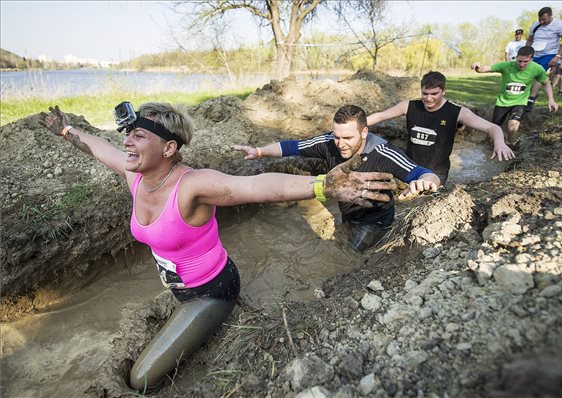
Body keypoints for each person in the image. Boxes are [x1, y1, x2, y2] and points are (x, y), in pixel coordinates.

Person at [38, 102, 397, 392]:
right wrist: (68, 130)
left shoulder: (193, 185)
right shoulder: (136, 175)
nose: (127, 143)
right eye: (128, 135)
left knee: (140, 379)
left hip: (211, 291)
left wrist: (322, 187)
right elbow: (100, 149)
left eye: (139, 136)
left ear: (168, 147)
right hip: (180, 287)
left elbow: (257, 187)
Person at [232, 104, 440, 252]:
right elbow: (291, 146)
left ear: (364, 132)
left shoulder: (384, 153)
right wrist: (258, 151)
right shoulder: (328, 142)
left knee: (348, 256)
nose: (341, 144)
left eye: (348, 138)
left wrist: (427, 182)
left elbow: (423, 173)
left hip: (375, 221)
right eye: (337, 136)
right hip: (347, 213)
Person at [366, 71, 515, 185]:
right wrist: (356, 126)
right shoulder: (409, 106)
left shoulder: (457, 112)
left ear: (443, 91)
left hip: (437, 171)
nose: (429, 98)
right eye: (425, 93)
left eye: (434, 94)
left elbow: (492, 127)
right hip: (409, 166)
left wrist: (500, 143)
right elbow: (380, 116)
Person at [471, 46, 559, 147]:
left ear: (531, 59)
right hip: (503, 102)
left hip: (520, 102)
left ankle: (509, 143)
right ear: (516, 57)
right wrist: (477, 67)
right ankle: (488, 145)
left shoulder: (536, 68)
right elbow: (485, 69)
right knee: (494, 128)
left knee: (513, 125)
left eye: (525, 62)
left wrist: (551, 100)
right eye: (519, 61)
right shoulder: (506, 66)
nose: (522, 64)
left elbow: (546, 83)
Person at [525, 6, 562, 111]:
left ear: (550, 16)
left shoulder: (560, 25)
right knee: (528, 75)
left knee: (539, 74)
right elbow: (529, 40)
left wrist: (558, 56)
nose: (541, 22)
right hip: (534, 53)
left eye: (544, 19)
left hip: (549, 54)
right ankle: (526, 96)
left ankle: (531, 99)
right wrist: (526, 52)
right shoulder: (535, 26)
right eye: (539, 19)